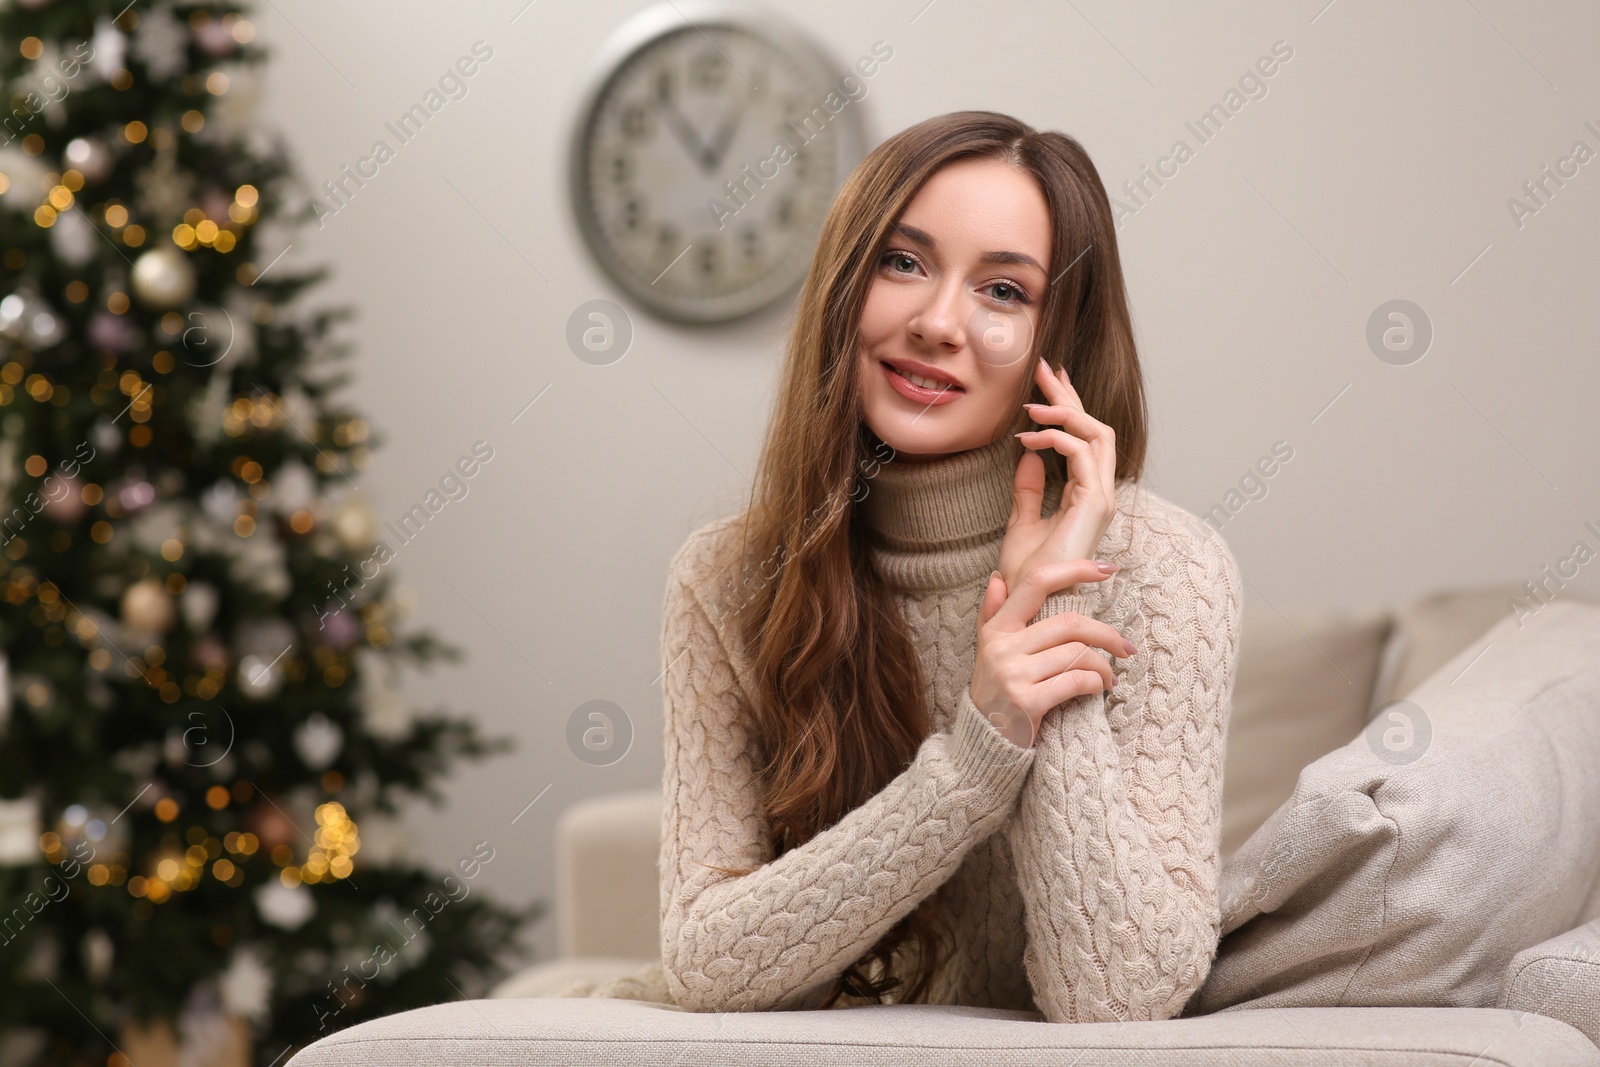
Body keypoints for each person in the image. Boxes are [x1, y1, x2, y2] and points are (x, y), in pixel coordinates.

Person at [556, 110, 1244, 1024]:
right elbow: (710, 963)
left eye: (1003, 290)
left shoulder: (1167, 570)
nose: (937, 322)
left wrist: (1041, 623)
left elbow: (1119, 994)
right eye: (904, 262)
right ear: (847, 285)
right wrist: (974, 760)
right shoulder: (726, 579)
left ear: (1058, 343)